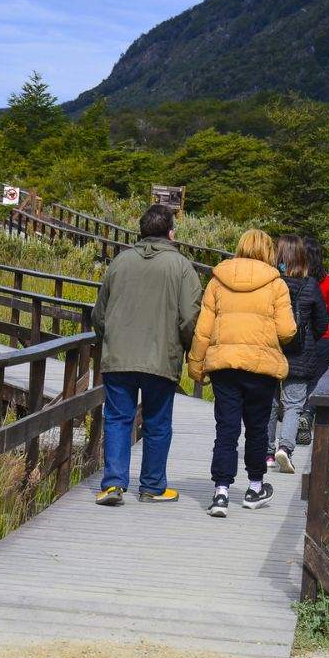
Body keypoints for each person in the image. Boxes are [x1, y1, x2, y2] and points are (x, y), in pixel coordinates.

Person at [91, 204, 202, 507]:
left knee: (117, 419)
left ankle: (113, 484)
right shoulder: (182, 267)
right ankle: (152, 486)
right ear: (171, 233)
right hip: (161, 359)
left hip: (119, 356)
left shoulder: (119, 262)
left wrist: (108, 338)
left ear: (140, 231)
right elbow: (190, 317)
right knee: (157, 423)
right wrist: (184, 346)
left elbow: (99, 314)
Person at [188, 230, 296, 517]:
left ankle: (221, 492)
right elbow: (287, 330)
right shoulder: (276, 284)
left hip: (224, 365)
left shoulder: (217, 280)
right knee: (257, 429)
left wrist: (195, 365)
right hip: (261, 368)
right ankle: (254, 487)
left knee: (226, 429)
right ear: (268, 252)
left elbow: (203, 329)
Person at [265, 235, 329, 474]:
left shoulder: (271, 283)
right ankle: (286, 447)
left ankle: (267, 452)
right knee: (293, 404)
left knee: (270, 402)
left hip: (272, 350)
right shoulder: (311, 285)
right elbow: (322, 324)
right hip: (301, 353)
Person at [297, 236, 329, 440]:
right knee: (317, 379)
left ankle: (295, 413)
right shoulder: (328, 282)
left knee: (297, 376)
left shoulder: (296, 279)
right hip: (322, 338)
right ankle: (308, 414)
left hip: (298, 336)